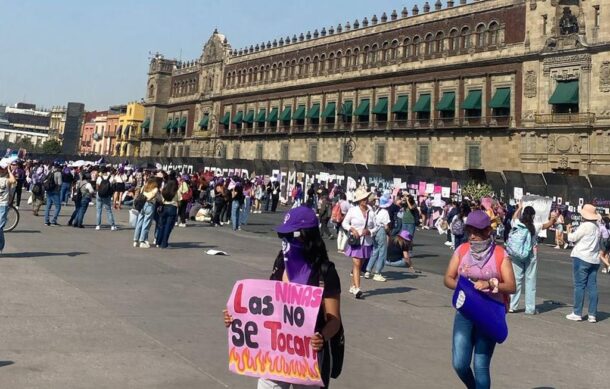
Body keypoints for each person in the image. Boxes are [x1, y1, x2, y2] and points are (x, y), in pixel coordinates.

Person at [223, 206, 342, 389]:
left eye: (289, 236)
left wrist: (321, 336)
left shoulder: (325, 272)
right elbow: (265, 307)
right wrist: (238, 316)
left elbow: (333, 321)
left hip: (307, 357)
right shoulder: (281, 263)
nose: (284, 241)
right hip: (275, 353)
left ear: (305, 236)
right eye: (282, 236)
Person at [444, 210, 516, 389]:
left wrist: (491, 284)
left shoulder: (500, 254)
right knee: (459, 363)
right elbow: (448, 278)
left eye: (476, 232)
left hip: (490, 312)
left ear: (487, 231)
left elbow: (512, 286)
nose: (472, 236)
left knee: (480, 366)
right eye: (469, 231)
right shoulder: (462, 250)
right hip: (466, 311)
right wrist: (465, 288)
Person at [508, 203, 556, 315]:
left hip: (516, 254)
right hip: (530, 255)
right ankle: (530, 308)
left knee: (516, 280)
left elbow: (514, 217)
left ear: (523, 214)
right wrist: (553, 219)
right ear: (533, 216)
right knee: (530, 282)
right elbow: (548, 225)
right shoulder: (535, 226)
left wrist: (519, 207)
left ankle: (512, 306)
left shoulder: (517, 223)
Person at [566, 204, 604, 323]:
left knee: (579, 285)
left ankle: (577, 312)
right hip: (594, 259)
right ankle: (592, 314)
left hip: (582, 257)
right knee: (592, 286)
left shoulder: (585, 226)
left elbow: (572, 238)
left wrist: (568, 231)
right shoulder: (597, 227)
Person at [342, 187, 376, 299]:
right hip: (355, 241)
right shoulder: (353, 210)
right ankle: (357, 289)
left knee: (360, 264)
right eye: (363, 199)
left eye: (366, 198)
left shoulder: (371, 211)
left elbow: (375, 227)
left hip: (366, 241)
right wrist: (351, 229)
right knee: (356, 263)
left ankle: (352, 285)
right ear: (359, 201)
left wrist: (369, 231)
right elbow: (344, 223)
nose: (365, 200)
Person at [365, 193, 392, 281]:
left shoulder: (377, 210)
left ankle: (368, 271)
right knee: (382, 252)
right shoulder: (385, 212)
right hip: (380, 230)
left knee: (375, 250)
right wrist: (389, 234)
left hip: (374, 230)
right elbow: (386, 226)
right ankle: (377, 272)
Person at [133, 178, 160, 248]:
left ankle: (135, 240)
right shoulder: (155, 189)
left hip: (142, 204)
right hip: (150, 205)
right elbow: (159, 199)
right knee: (146, 224)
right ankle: (142, 241)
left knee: (139, 222)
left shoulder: (144, 187)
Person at [156, 176, 180, 248]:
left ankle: (158, 242)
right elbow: (180, 200)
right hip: (173, 208)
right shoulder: (176, 192)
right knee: (168, 226)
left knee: (161, 225)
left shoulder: (164, 190)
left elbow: (161, 200)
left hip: (164, 207)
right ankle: (164, 243)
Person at [0, 161, 16, 253]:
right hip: (3, 204)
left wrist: (9, 171)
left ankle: (1, 246)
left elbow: (13, 181)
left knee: (0, 227)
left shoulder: (6, 180)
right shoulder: (5, 180)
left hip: (3, 205)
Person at [95, 166, 117, 230]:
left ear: (101, 171)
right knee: (108, 210)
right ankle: (112, 226)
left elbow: (96, 188)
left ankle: (98, 225)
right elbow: (113, 186)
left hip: (99, 195)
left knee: (99, 210)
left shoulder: (99, 178)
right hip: (107, 196)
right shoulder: (111, 178)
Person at [44, 161, 63, 226]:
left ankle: (46, 221)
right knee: (58, 206)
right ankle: (53, 221)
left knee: (48, 206)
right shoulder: (58, 173)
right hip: (55, 191)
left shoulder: (51, 171)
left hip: (49, 190)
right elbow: (59, 183)